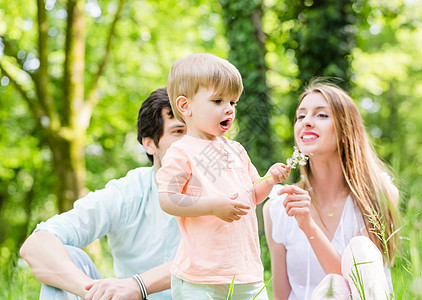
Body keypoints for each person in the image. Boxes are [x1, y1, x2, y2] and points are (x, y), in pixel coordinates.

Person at [20, 87, 187, 300]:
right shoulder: (128, 193)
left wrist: (139, 285)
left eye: (194, 131)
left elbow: (212, 261)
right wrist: (93, 292)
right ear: (149, 144)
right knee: (68, 257)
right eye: (179, 132)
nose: (190, 141)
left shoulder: (223, 191)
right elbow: (36, 245)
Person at [155, 53, 291, 300]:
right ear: (186, 106)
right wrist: (213, 206)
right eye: (218, 100)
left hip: (245, 272)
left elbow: (253, 196)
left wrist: (270, 179)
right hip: (201, 278)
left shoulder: (236, 149)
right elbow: (168, 199)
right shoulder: (181, 152)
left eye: (233, 102)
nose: (228, 108)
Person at [263, 80, 399, 300]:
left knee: (352, 261)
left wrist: (307, 225)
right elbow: (281, 295)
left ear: (346, 130)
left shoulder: (377, 195)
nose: (306, 122)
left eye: (321, 115)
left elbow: (358, 285)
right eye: (300, 116)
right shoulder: (278, 207)